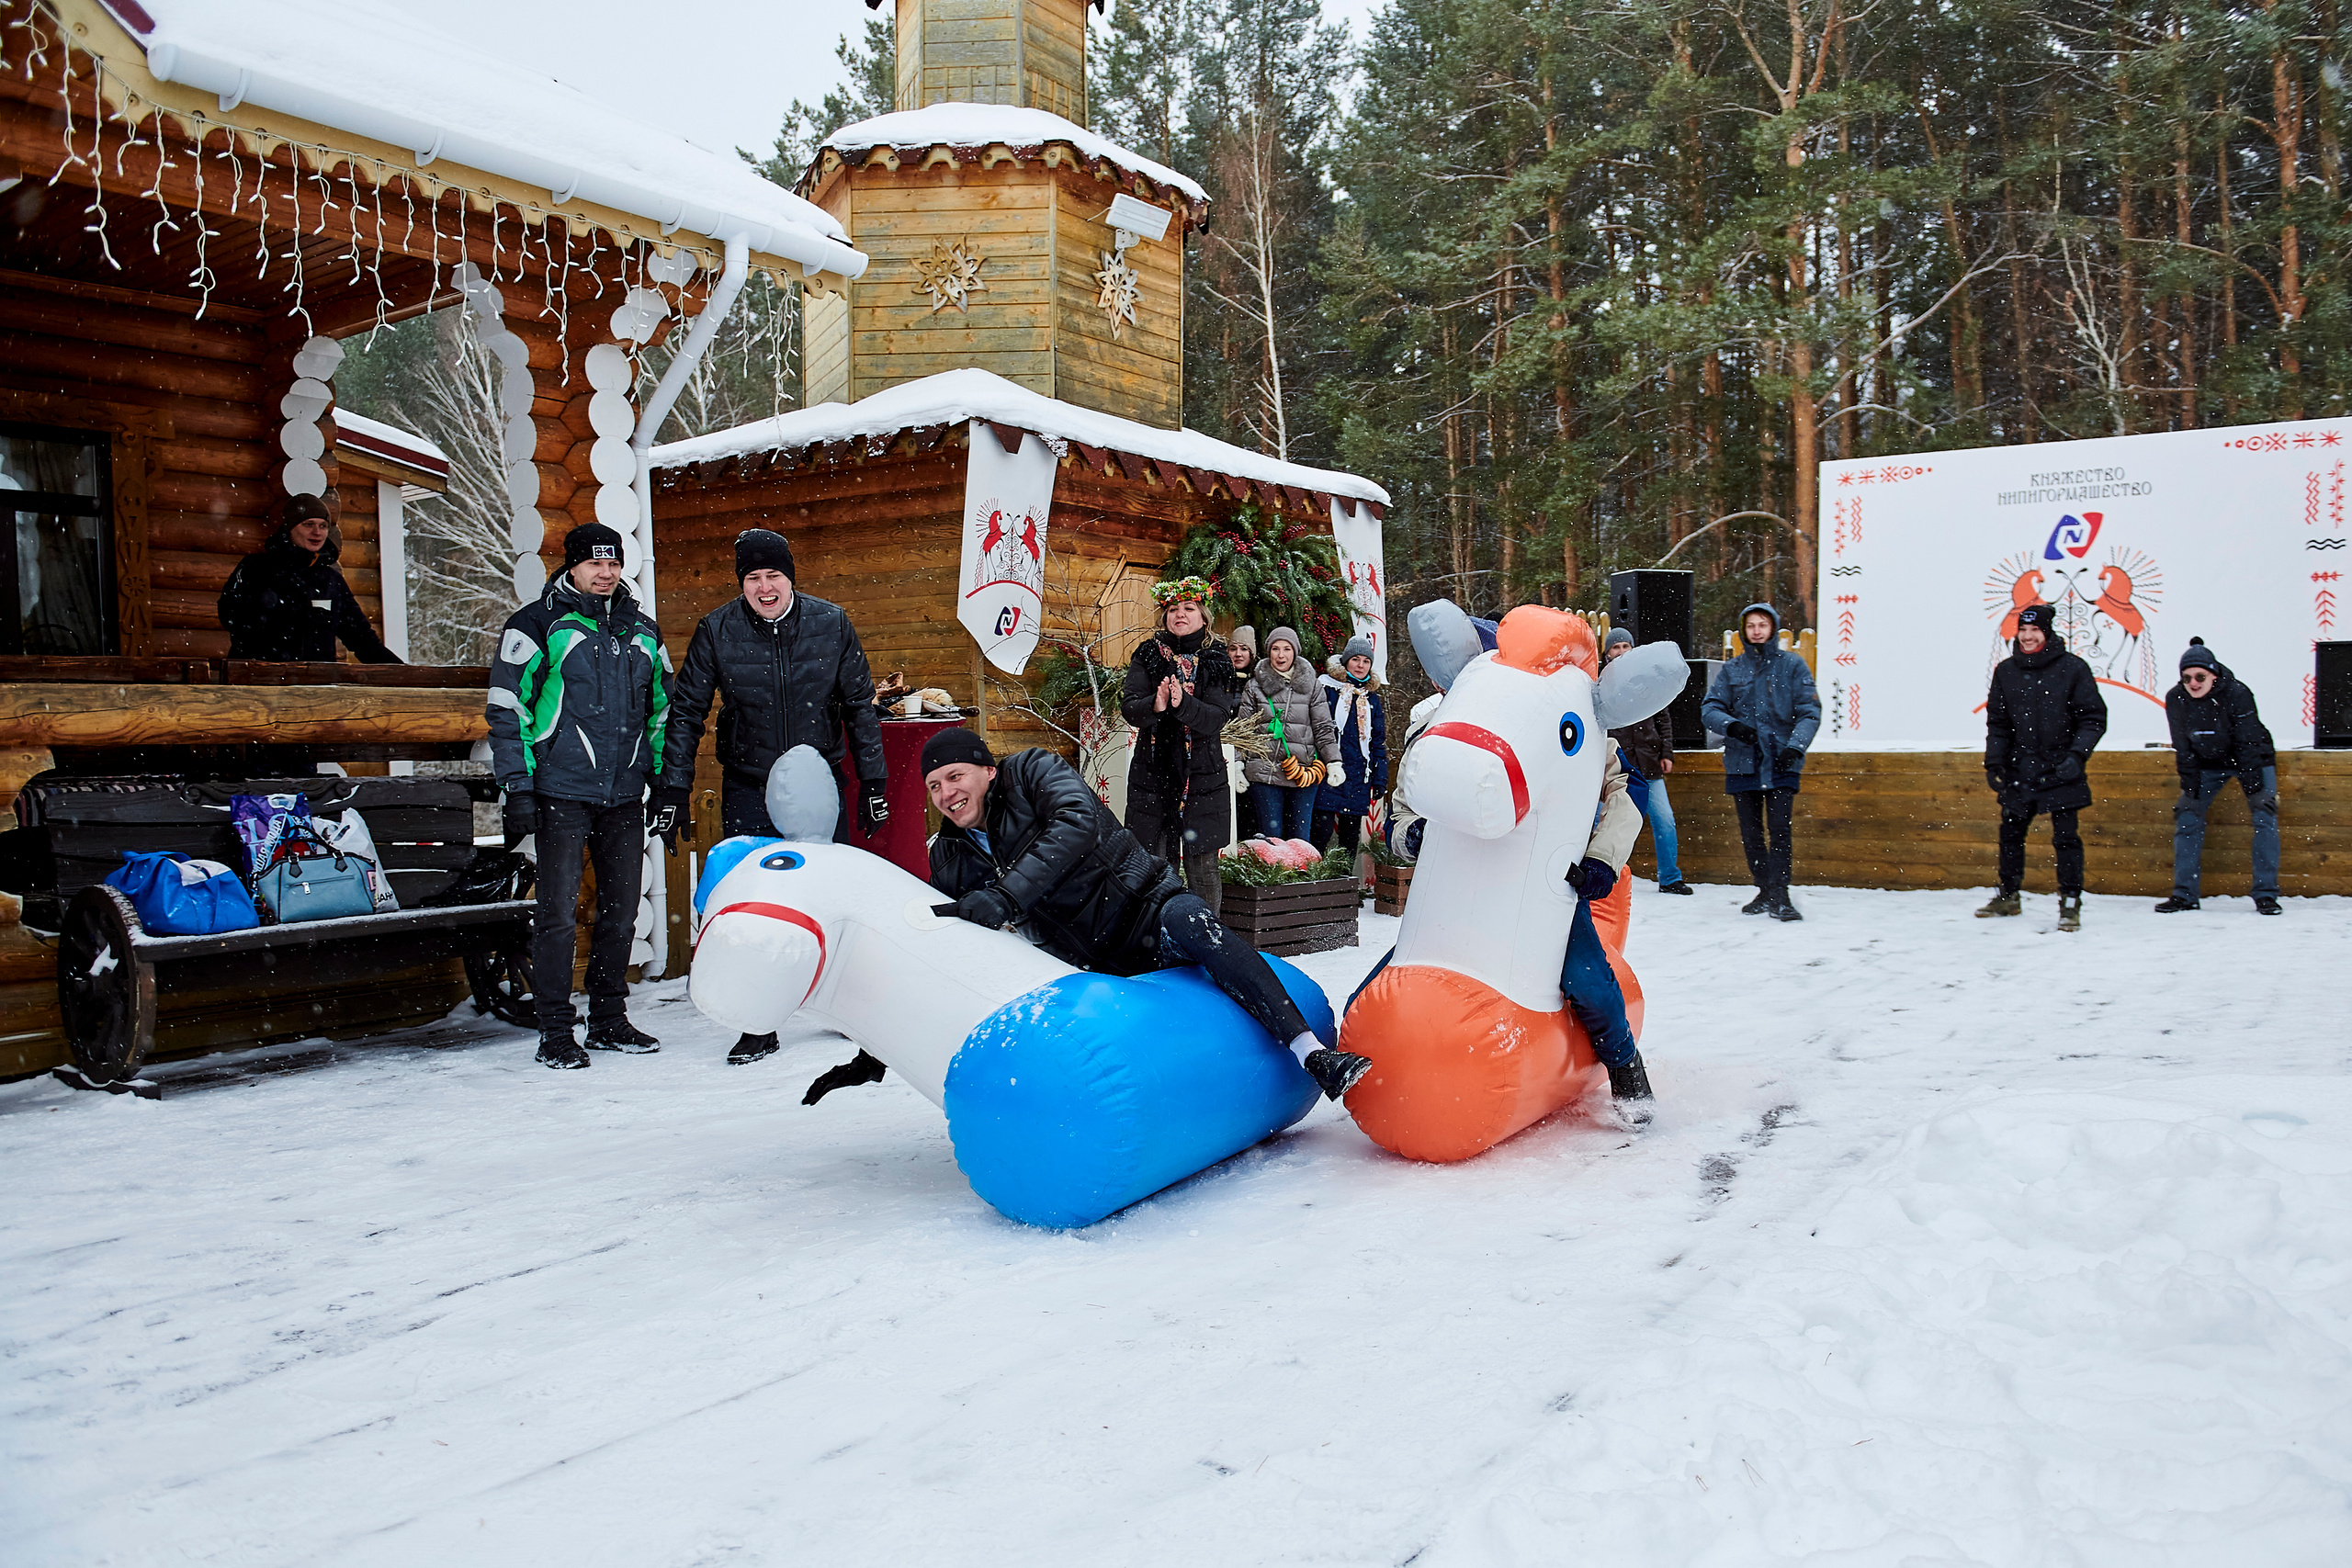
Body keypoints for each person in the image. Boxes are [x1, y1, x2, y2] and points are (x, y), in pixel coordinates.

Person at [921, 728, 1372, 1101]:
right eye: (934, 787)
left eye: (955, 776)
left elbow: (1075, 823)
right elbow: (946, 949)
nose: (947, 793)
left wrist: (1006, 896)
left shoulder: (1031, 771)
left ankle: (1311, 1053)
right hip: (1087, 964)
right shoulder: (948, 856)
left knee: (1192, 919)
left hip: (1147, 912)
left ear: (987, 770)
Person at [654, 526, 888, 1065]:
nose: (764, 588)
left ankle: (850, 1009)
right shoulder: (717, 629)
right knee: (754, 904)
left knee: (832, 895)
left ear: (790, 578)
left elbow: (859, 706)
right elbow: (687, 711)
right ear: (742, 584)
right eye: (753, 578)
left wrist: (872, 784)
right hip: (750, 780)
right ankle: (758, 1022)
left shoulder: (831, 623)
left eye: (773, 576)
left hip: (819, 784)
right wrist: (673, 789)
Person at [487, 523, 671, 1068]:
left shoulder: (642, 631)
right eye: (595, 564)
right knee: (558, 915)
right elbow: (506, 709)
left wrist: (664, 783)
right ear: (572, 566)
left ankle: (609, 1019)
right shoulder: (537, 625)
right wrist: (517, 787)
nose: (606, 573)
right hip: (559, 793)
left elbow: (661, 712)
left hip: (623, 795)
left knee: (621, 911)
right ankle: (554, 1031)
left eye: (614, 564)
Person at [1980, 602, 2109, 931]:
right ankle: (2008, 895)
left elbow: (2093, 718)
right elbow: (1998, 723)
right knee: (2010, 834)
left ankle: (2070, 902)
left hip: (2061, 766)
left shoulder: (2073, 668)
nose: (2027, 636)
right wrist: (1995, 761)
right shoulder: (2006, 672)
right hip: (2019, 767)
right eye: (2022, 630)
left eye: (2034, 630)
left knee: (2066, 838)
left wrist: (2077, 756)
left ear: (2047, 633)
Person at [1119, 577, 1244, 915]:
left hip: (1202, 779)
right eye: (1173, 608)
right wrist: (1155, 705)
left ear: (1203, 616)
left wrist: (1182, 704)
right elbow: (1130, 706)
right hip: (1153, 775)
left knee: (1203, 867)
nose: (1180, 614)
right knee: (1157, 865)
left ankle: (1205, 937)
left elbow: (1217, 717)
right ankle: (1155, 936)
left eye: (1189, 608)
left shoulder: (1217, 658)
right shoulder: (1148, 654)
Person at [1701, 602, 1820, 921]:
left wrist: (1795, 746)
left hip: (1782, 762)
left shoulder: (1793, 667)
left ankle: (1781, 894)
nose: (1756, 631)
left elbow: (1810, 711)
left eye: (1762, 625)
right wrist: (1732, 726)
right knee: (1751, 834)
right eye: (1751, 625)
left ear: (1772, 628)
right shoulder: (1732, 670)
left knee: (1780, 831)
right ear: (1744, 630)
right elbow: (1710, 708)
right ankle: (1764, 890)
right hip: (1743, 763)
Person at [2159, 637, 2280, 916]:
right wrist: (2190, 790)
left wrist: (2256, 790)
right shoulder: (2176, 698)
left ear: (2214, 674)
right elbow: (2183, 747)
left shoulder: (2237, 693)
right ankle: (2184, 894)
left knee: (2265, 816)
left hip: (2251, 758)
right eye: (2186, 677)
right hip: (2207, 762)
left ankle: (2266, 894)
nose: (2194, 683)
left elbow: (2248, 742)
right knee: (2187, 816)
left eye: (2200, 676)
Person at [217, 493, 403, 663]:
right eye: (308, 524)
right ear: (289, 528)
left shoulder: (331, 581)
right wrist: (291, 616)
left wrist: (403, 673)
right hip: (260, 682)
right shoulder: (256, 567)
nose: (317, 532)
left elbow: (362, 638)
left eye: (323, 526)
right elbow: (231, 616)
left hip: (318, 686)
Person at [1604, 626, 1689, 895]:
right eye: (1615, 648)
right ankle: (1605, 878)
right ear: (1607, 654)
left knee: (1665, 820)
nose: (1620, 652)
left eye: (1624, 646)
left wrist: (1667, 754)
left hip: (1650, 765)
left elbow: (1663, 719)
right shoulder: (1599, 684)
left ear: (1632, 649)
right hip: (1618, 769)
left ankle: (1670, 878)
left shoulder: (1647, 679)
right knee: (1602, 824)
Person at [1240, 626, 1341, 843]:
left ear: (1295, 651)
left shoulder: (1312, 686)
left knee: (1300, 841)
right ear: (1269, 651)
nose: (1281, 655)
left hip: (1302, 773)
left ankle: (1300, 876)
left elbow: (1323, 727)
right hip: (1264, 771)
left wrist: (1333, 761)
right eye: (1275, 649)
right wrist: (1238, 764)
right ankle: (1274, 877)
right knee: (1271, 840)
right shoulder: (1254, 686)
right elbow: (1243, 730)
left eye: (1286, 648)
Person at [1311, 636, 1386, 854]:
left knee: (1350, 838)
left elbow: (1377, 741)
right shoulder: (1327, 688)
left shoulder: (1371, 699)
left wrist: (1380, 776)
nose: (1360, 665)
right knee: (1320, 833)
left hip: (1358, 775)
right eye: (1355, 659)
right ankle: (1317, 883)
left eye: (1366, 661)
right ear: (1345, 662)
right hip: (1328, 770)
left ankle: (1345, 884)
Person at [1227, 626, 1261, 842]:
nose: (1238, 654)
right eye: (1233, 648)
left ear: (1252, 653)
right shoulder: (1219, 679)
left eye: (1244, 649)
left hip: (1252, 756)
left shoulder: (1260, 682)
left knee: (1249, 812)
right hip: (1224, 752)